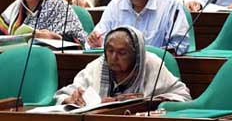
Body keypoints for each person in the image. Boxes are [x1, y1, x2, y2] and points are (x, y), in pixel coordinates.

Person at [55, 26, 191, 105]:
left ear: (136, 54)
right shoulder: (96, 66)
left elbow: (183, 96)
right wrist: (72, 99)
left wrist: (144, 102)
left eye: (122, 52)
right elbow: (60, 95)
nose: (114, 58)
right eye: (110, 51)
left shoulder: (151, 64)